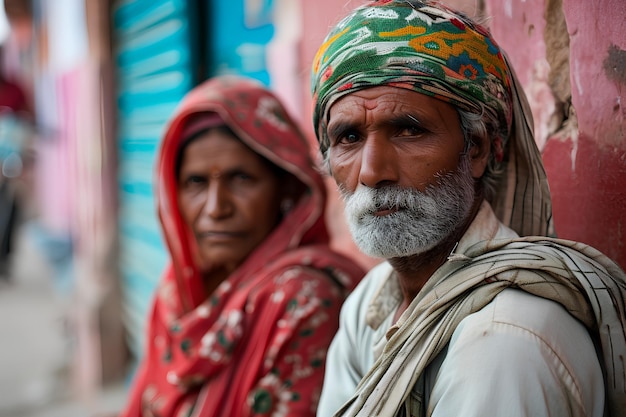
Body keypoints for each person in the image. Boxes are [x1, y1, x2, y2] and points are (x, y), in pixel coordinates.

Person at [310, 1, 626, 416]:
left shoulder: (503, 341)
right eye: (348, 137)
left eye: (408, 129)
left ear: (478, 149)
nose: (371, 172)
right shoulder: (370, 303)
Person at [120, 75, 365, 417]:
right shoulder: (177, 295)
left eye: (241, 179)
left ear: (286, 189)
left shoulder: (304, 297)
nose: (216, 208)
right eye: (196, 182)